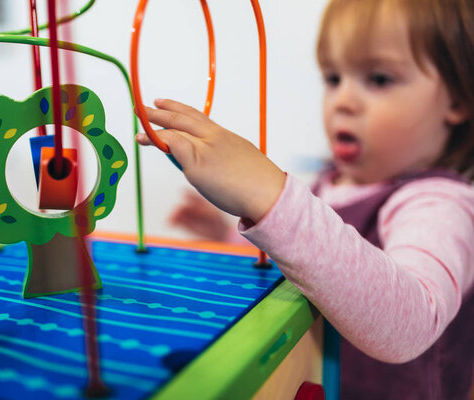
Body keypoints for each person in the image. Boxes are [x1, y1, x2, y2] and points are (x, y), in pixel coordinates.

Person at [135, 0, 474, 398]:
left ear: (457, 99)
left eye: (379, 79)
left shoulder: (440, 203)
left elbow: (414, 323)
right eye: (333, 79)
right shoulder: (326, 184)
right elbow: (299, 267)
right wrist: (229, 233)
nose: (342, 101)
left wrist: (269, 195)